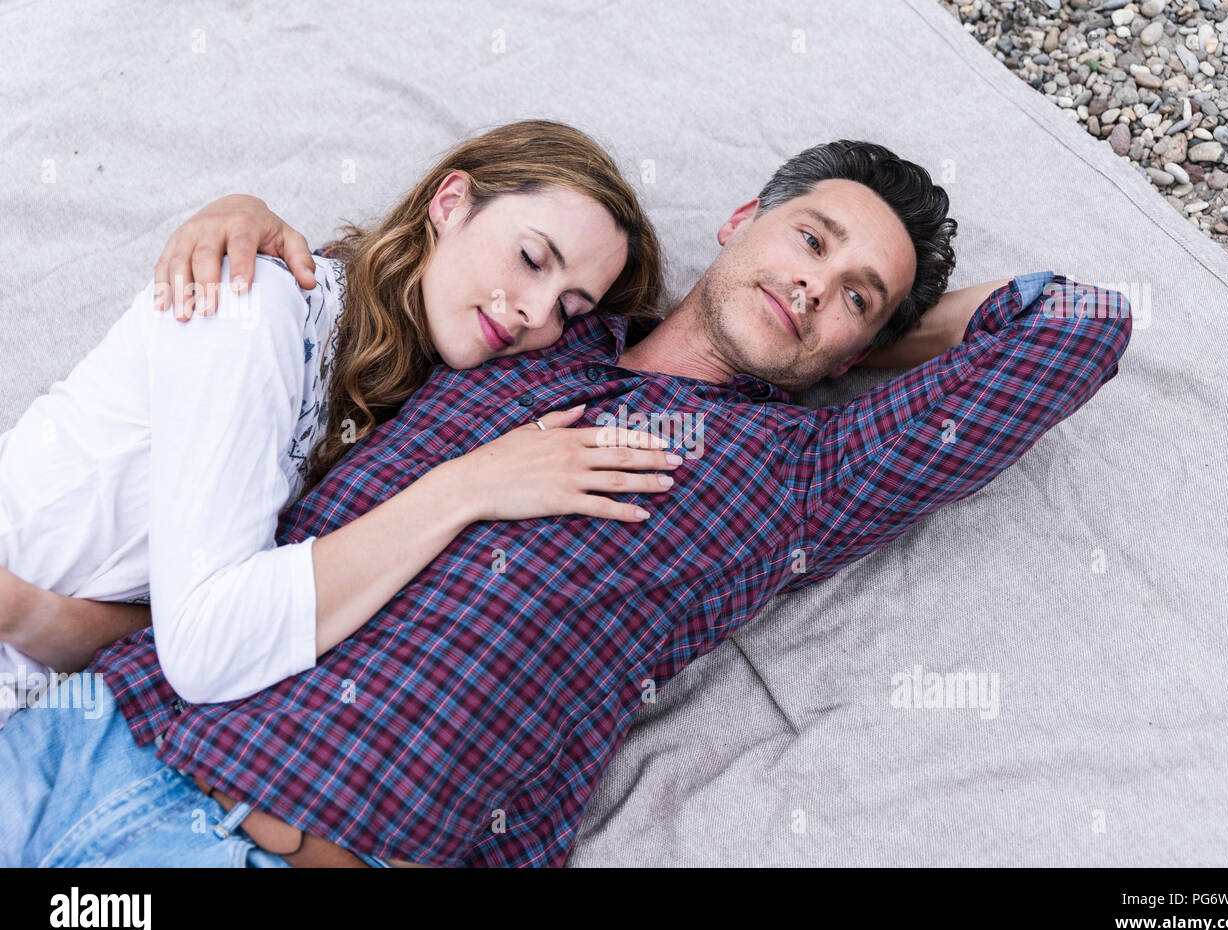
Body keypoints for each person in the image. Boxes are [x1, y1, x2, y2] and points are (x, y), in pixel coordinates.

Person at [0, 138, 1132, 867]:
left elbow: (1080, 326)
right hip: (89, 736)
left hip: (286, 845)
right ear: (742, 217)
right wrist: (238, 201)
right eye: (810, 240)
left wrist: (875, 338)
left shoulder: (804, 477)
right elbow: (410, 267)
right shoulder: (535, 326)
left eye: (853, 297)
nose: (810, 284)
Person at [0, 119, 679, 728]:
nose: (535, 310)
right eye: (532, 259)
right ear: (450, 203)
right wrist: (463, 491)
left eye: (570, 307)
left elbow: (171, 633)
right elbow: (204, 650)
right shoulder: (255, 306)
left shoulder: (396, 408)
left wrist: (30, 614)